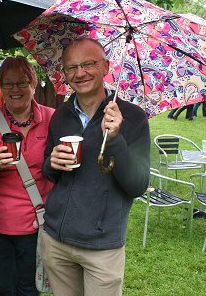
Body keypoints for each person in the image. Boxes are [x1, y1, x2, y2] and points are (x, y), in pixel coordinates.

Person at [41, 38, 150, 296]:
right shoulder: (60, 115)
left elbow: (137, 185)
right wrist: (52, 163)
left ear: (105, 67)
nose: (80, 73)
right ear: (65, 73)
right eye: (71, 67)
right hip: (57, 241)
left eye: (88, 63)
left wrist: (115, 140)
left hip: (102, 247)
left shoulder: (132, 117)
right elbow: (49, 171)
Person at [0, 56, 55, 295]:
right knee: (2, 287)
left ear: (33, 85)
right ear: (0, 87)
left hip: (38, 223)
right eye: (8, 84)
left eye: (22, 82)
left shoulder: (52, 118)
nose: (15, 90)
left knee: (30, 287)